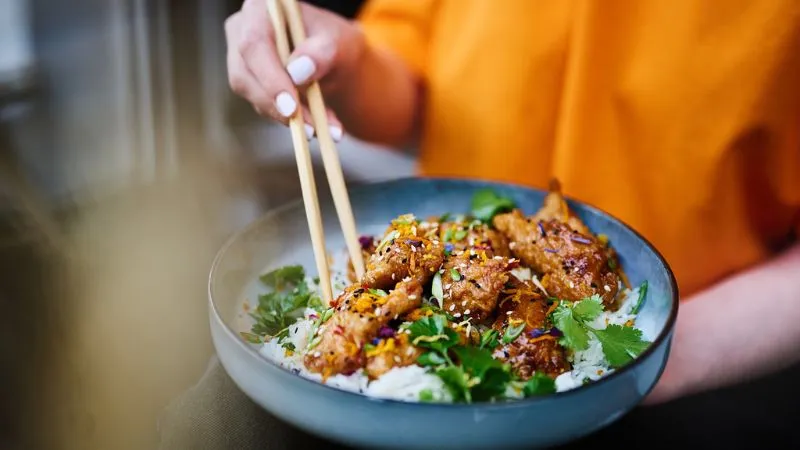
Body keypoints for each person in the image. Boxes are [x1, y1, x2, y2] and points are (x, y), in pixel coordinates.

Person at [224, 0, 800, 404]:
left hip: (711, 356)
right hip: (445, 268)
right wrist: (344, 65)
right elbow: (410, 83)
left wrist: (649, 359)